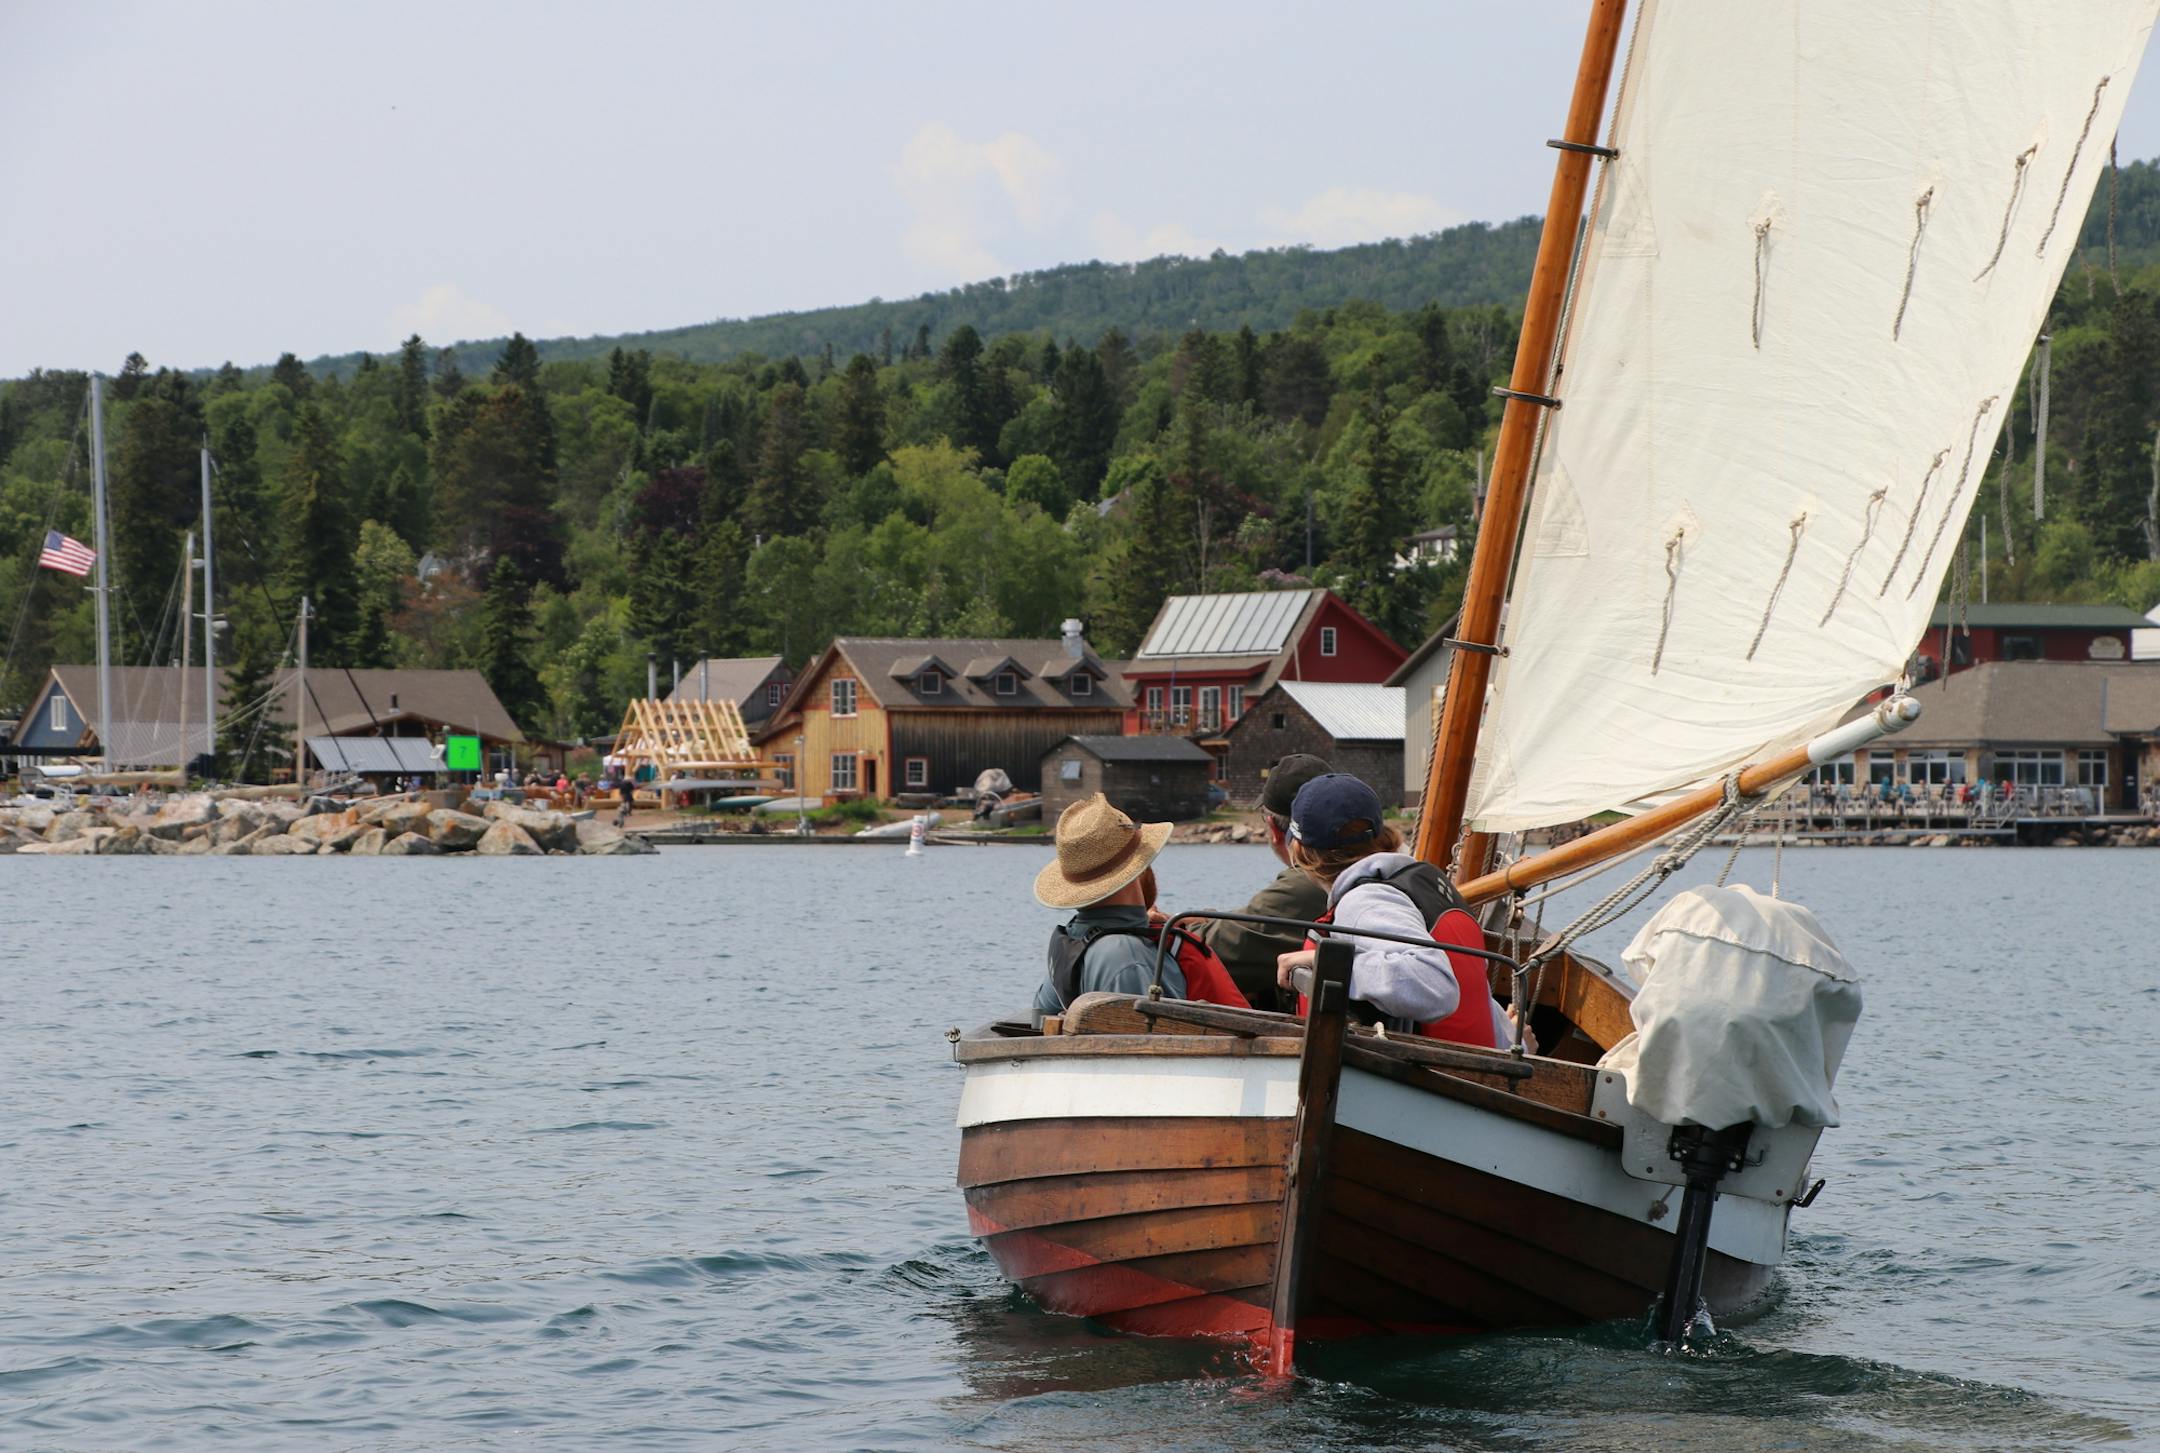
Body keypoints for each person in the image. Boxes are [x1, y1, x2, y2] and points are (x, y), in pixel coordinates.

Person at [1272, 773, 1515, 1049]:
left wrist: (1327, 963)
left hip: (1434, 1084)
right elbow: (1471, 994)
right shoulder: (1424, 885)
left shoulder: (1365, 902)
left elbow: (1437, 988)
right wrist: (1514, 1040)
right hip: (1484, 1074)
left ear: (1301, 851)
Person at [1031, 794, 1248, 1027]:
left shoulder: (1072, 942)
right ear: (1139, 868)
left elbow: (1039, 1019)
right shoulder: (1126, 957)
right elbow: (1147, 1051)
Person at [1191, 753, 1334, 1010]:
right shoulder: (1383, 866)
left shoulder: (1313, 880)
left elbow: (1220, 948)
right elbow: (1256, 924)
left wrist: (1172, 929)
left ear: (1274, 828)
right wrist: (1204, 920)